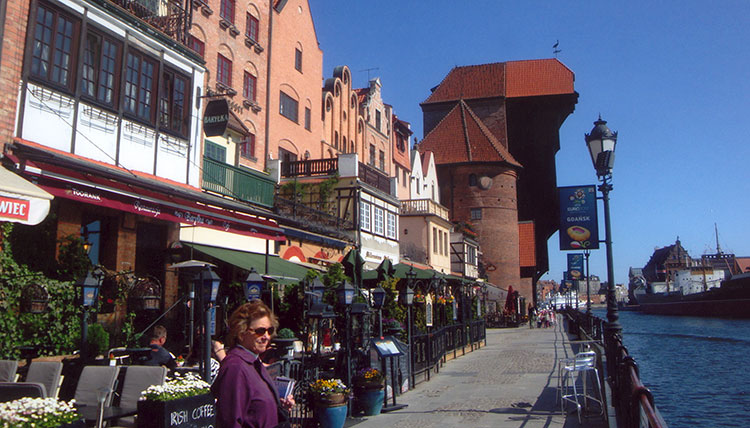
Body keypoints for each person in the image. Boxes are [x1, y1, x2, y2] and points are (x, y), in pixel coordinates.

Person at [212, 301, 294, 428]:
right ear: (241, 333)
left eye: (269, 330)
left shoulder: (253, 362)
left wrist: (277, 406)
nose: (266, 337)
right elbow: (230, 421)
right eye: (260, 331)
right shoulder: (236, 367)